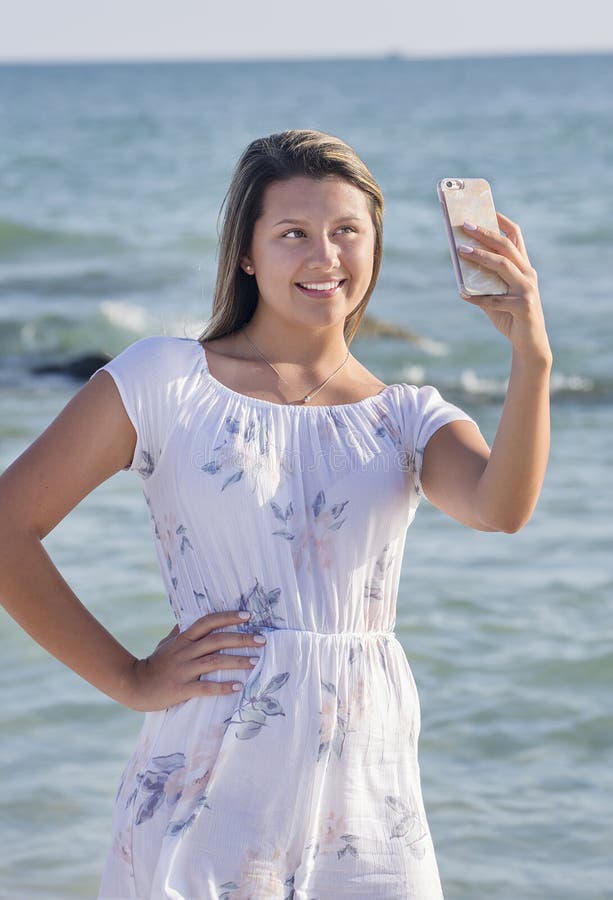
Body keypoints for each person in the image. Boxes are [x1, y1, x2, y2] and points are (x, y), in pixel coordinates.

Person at [0, 129, 552, 899]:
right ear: (248, 253)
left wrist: (531, 354)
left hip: (368, 797)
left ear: (374, 248)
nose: (324, 256)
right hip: (209, 781)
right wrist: (127, 677)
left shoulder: (406, 417)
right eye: (293, 233)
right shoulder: (166, 380)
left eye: (346, 232)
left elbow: (502, 507)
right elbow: (7, 529)